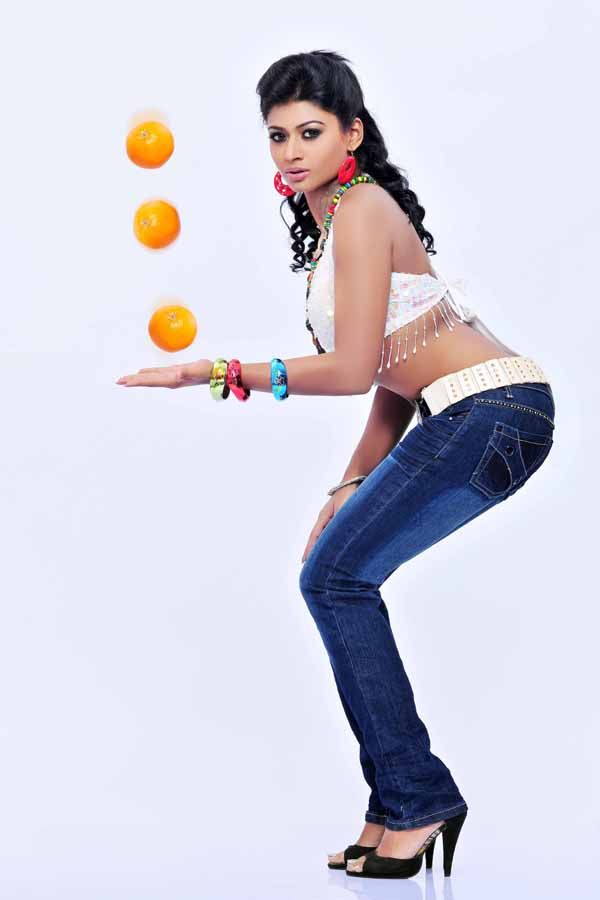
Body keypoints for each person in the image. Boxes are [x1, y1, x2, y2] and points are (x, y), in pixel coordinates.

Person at [116, 50, 556, 880]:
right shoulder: (339, 221)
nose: (290, 151)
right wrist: (351, 483)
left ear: (351, 134)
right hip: (474, 413)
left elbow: (353, 369)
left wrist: (215, 371)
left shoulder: (360, 209)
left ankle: (418, 800)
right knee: (332, 575)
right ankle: (396, 803)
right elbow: (393, 378)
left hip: (492, 410)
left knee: (336, 579)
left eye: (310, 132)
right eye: (277, 135)